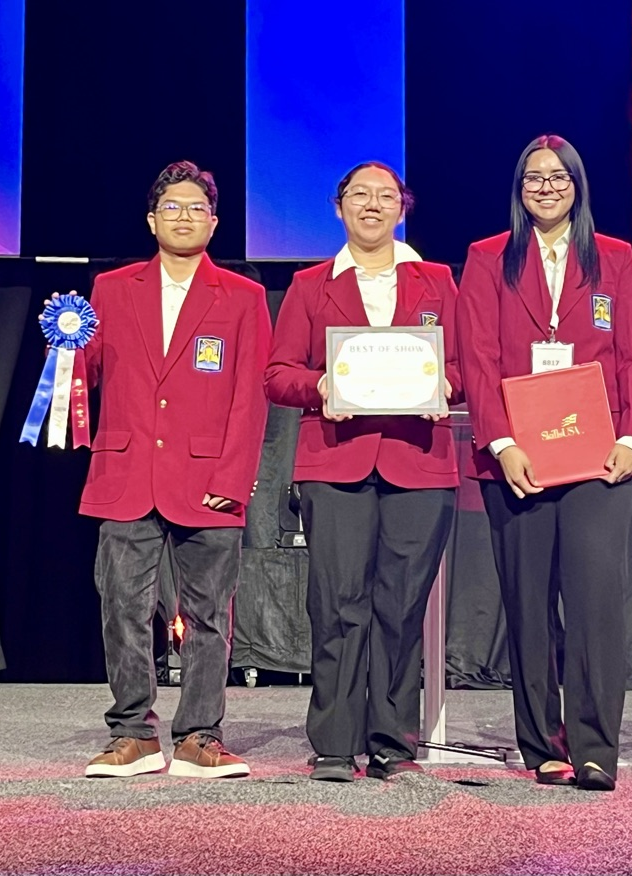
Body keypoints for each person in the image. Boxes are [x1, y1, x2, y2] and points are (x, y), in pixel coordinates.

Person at [456, 134, 632, 791]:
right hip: (518, 458)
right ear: (520, 189)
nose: (545, 187)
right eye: (533, 178)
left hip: (598, 457)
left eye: (558, 177)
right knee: (529, 604)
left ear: (577, 185)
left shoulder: (616, 259)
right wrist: (500, 443)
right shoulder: (488, 259)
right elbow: (477, 359)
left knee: (597, 606)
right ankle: (543, 744)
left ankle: (597, 748)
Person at [265, 161, 461, 781]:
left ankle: (392, 741)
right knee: (336, 602)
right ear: (338, 207)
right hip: (336, 461)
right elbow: (277, 374)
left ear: (403, 207)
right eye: (359, 195)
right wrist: (323, 382)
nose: (372, 206)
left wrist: (445, 383)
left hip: (419, 463)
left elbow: (461, 365)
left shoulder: (437, 280)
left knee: (401, 606)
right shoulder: (310, 285)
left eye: (386, 196)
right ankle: (332, 741)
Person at [75, 160, 271, 778]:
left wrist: (232, 480)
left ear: (213, 222)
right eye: (171, 207)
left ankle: (199, 735)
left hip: (209, 480)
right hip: (125, 474)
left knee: (211, 614)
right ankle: (133, 731)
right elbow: (91, 371)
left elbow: (250, 397)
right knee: (122, 608)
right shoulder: (112, 289)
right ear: (151, 219)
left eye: (195, 208)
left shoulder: (244, 298)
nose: (183, 217)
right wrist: (69, 352)